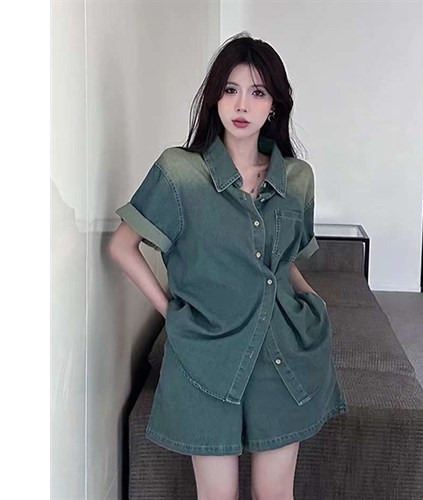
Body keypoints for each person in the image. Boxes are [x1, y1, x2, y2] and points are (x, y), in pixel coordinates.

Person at [108, 31, 348, 500]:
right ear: (214, 97)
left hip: (284, 350)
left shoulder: (298, 178)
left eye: (257, 92)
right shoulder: (179, 173)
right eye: (230, 89)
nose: (242, 104)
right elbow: (122, 246)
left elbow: (284, 263)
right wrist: (171, 312)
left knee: (275, 493)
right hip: (206, 357)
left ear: (274, 105)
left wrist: (312, 301)